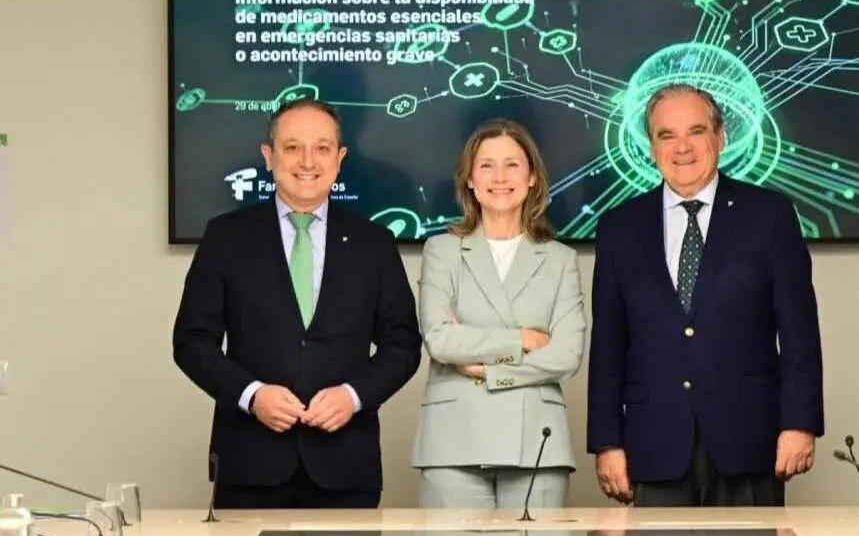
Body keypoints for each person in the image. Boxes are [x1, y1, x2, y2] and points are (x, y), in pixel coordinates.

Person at [172, 98, 422, 509]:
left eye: (322, 148)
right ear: (269, 157)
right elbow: (192, 342)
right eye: (293, 147)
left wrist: (353, 396)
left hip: (346, 469)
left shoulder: (373, 243)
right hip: (251, 466)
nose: (308, 161)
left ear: (340, 159)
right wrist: (252, 395)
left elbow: (403, 344)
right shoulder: (226, 238)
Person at [586, 83, 824, 507]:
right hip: (653, 444)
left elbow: (799, 332)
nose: (682, 148)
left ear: (720, 137)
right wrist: (607, 443)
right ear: (650, 147)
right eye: (666, 135)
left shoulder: (769, 215)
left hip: (749, 441)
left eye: (695, 131)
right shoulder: (619, 227)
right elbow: (608, 345)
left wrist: (800, 424)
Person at [411, 118, 586, 508]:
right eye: (486, 165)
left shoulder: (560, 260)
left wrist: (490, 371)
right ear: (469, 180)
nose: (499, 177)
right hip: (452, 442)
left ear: (532, 179)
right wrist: (522, 340)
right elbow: (441, 340)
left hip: (537, 443)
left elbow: (565, 355)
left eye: (512, 165)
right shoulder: (442, 251)